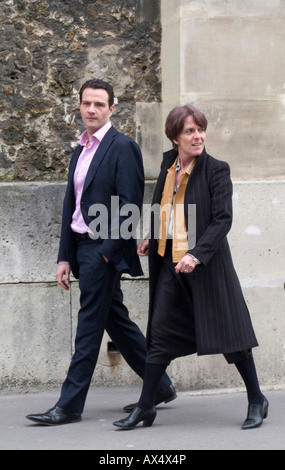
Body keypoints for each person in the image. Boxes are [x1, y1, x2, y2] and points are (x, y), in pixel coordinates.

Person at [26, 79, 176, 426]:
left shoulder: (122, 146)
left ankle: (69, 405)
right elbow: (71, 206)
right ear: (79, 106)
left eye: (98, 104)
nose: (91, 110)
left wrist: (108, 253)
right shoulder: (81, 149)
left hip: (101, 250)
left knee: (88, 327)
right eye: (86, 104)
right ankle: (162, 386)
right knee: (116, 321)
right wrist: (64, 257)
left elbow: (131, 204)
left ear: (111, 108)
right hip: (81, 248)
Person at [113, 104, 268, 431]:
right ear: (174, 138)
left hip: (207, 267)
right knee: (159, 335)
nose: (198, 136)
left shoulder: (216, 170)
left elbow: (222, 220)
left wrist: (197, 254)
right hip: (171, 265)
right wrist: (149, 237)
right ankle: (145, 406)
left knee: (230, 335)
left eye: (200, 130)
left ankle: (257, 398)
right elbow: (162, 207)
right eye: (190, 131)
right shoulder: (169, 165)